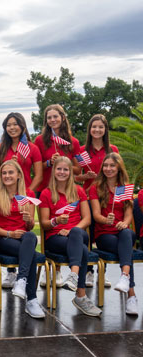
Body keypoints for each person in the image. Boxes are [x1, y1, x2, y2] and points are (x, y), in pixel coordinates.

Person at [38, 157, 101, 317]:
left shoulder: (78, 191)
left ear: (70, 172)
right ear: (54, 171)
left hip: (77, 233)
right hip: (55, 237)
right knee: (83, 252)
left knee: (77, 234)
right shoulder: (46, 193)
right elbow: (45, 224)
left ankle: (73, 275)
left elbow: (87, 219)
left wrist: (71, 229)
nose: (62, 172)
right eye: (59, 169)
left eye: (66, 169)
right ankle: (80, 295)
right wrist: (56, 221)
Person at [0, 160, 45, 319]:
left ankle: (21, 280)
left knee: (31, 236)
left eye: (10, 172)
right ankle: (31, 299)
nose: (7, 176)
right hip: (3, 239)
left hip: (24, 239)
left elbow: (29, 228)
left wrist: (29, 221)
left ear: (19, 175)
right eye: (4, 173)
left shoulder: (28, 195)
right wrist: (9, 234)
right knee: (31, 255)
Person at [34, 105, 82, 288]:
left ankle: (63, 271)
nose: (52, 120)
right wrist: (49, 162)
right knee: (49, 228)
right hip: (46, 190)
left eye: (55, 116)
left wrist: (64, 163)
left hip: (65, 191)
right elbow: (36, 166)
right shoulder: (40, 140)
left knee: (65, 225)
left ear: (62, 117)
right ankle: (49, 270)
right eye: (49, 117)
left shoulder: (72, 142)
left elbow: (78, 169)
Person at [0, 113, 44, 288]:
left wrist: (28, 193)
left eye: (15, 124)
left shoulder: (31, 147)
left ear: (22, 126)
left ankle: (21, 281)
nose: (12, 127)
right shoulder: (0, 148)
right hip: (5, 195)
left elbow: (38, 174)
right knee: (9, 225)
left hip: (25, 194)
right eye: (8, 125)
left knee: (26, 230)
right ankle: (12, 274)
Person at [88, 153, 138, 315]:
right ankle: (131, 295)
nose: (108, 169)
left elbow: (129, 213)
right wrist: (106, 220)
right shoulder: (96, 188)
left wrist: (124, 222)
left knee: (126, 233)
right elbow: (96, 215)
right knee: (127, 250)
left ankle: (124, 277)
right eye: (106, 165)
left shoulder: (124, 187)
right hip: (104, 235)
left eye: (112, 166)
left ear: (119, 168)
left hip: (122, 232)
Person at [77, 114, 119, 288]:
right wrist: (85, 176)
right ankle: (88, 271)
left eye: (100, 127)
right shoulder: (82, 151)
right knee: (88, 236)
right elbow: (74, 175)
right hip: (87, 197)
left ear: (105, 130)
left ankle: (103, 272)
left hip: (106, 199)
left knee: (104, 234)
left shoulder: (113, 150)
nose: (97, 130)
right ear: (90, 130)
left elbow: (118, 172)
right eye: (94, 127)